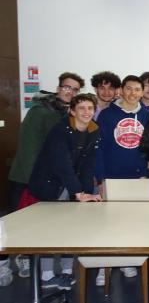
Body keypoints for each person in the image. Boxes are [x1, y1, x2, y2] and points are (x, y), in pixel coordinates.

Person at [5, 72, 84, 282]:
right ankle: (13, 262)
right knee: (18, 223)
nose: (70, 91)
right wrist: (34, 181)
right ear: (59, 87)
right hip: (29, 177)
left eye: (75, 89)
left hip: (54, 179)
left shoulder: (69, 113)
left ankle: (37, 263)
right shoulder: (40, 111)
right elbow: (29, 149)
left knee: (47, 226)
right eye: (67, 87)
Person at [28, 94, 102, 290]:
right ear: (72, 111)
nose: (86, 112)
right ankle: (47, 275)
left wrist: (86, 193)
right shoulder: (60, 130)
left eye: (90, 108)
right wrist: (78, 192)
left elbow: (88, 165)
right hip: (51, 183)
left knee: (72, 229)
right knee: (49, 230)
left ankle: (68, 271)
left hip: (73, 183)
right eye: (82, 108)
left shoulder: (94, 130)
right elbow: (62, 164)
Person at [95, 75, 149, 282]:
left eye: (137, 89)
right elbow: (99, 149)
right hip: (111, 177)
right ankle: (105, 266)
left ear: (141, 92)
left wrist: (146, 170)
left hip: (137, 178)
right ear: (122, 90)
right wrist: (100, 179)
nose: (133, 93)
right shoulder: (107, 115)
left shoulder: (146, 115)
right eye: (129, 89)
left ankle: (129, 260)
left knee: (133, 222)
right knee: (108, 224)